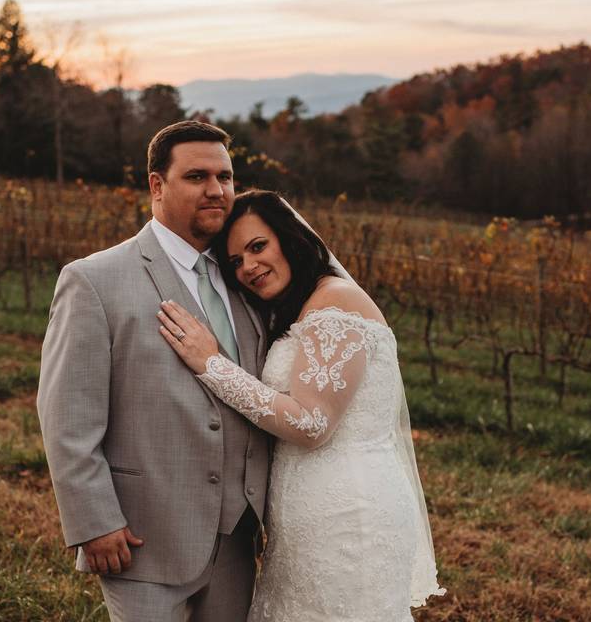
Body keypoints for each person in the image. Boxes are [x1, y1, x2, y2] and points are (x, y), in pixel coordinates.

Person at [157, 189, 445, 621]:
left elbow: (312, 423)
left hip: (348, 514)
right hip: (312, 514)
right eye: (236, 261)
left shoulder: (335, 301)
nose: (249, 267)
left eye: (258, 247)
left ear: (289, 238)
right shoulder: (306, 305)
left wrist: (211, 364)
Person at [37, 121, 270, 622]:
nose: (217, 190)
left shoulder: (247, 278)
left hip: (238, 541)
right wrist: (93, 522)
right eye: (197, 177)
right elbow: (67, 416)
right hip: (142, 536)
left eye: (226, 177)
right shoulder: (94, 280)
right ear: (157, 186)